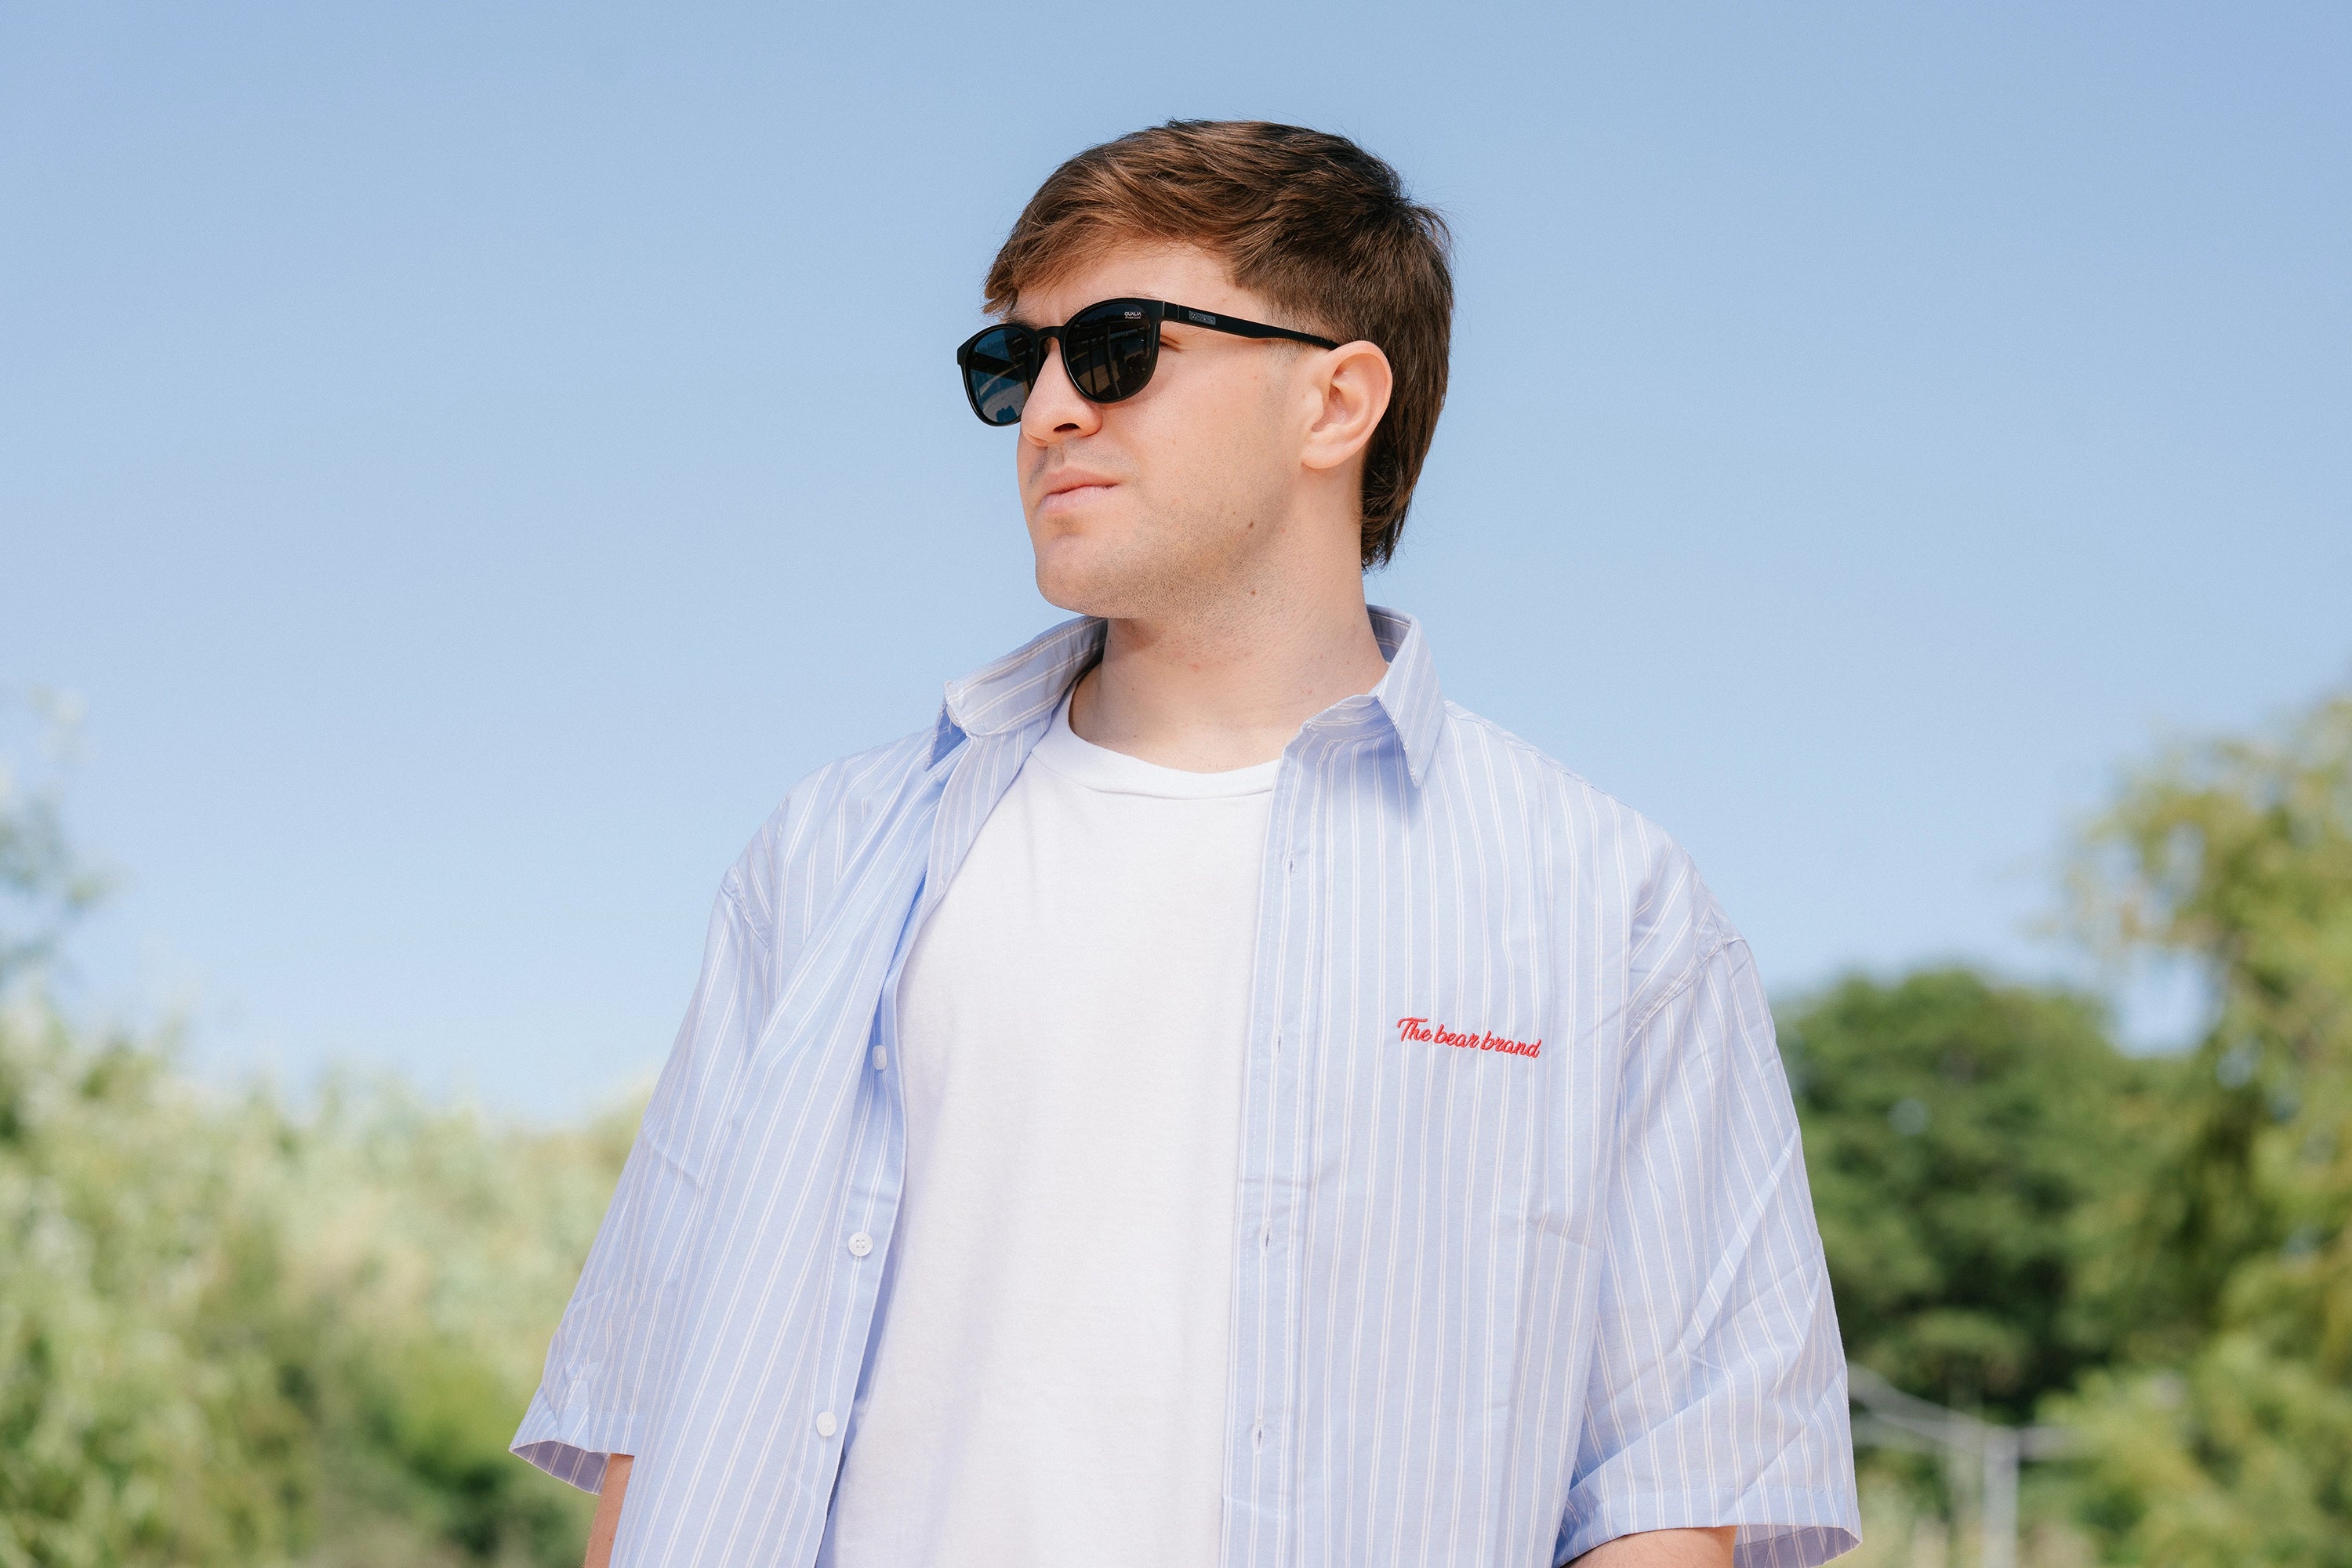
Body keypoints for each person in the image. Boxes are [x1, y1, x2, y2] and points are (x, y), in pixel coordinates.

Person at [512, 119, 1862, 1568]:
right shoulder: (826, 855)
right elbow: (659, 1403)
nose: (1047, 412)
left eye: (1116, 350)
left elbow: (1672, 1488)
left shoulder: (1611, 909)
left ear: (1336, 401)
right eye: (1012, 365)